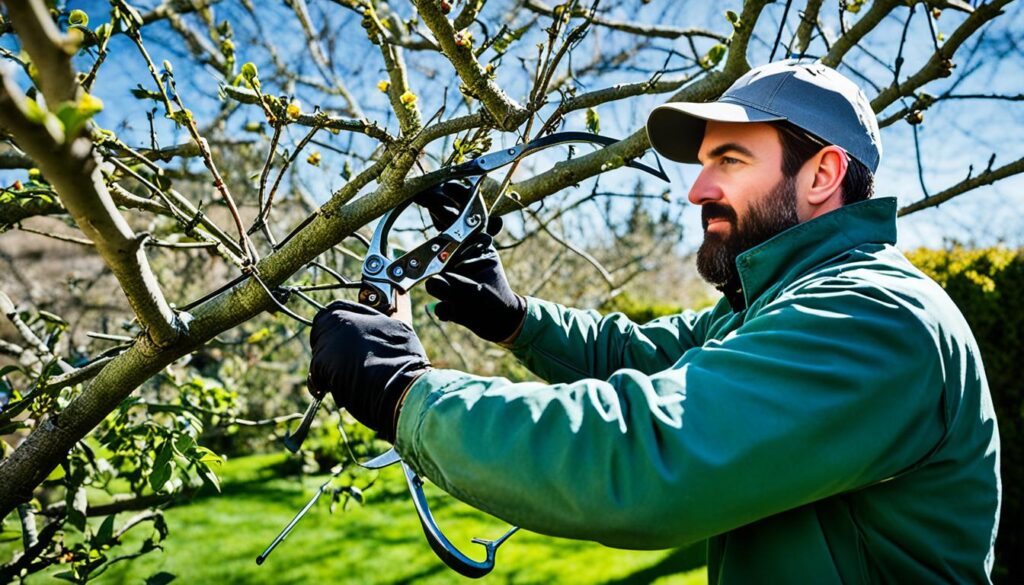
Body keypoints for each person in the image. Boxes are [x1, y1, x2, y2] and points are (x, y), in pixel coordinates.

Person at [307, 60, 1001, 583]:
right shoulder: (777, 305)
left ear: (822, 174)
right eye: (704, 164)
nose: (699, 188)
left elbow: (644, 454)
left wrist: (404, 393)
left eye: (729, 159)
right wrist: (515, 318)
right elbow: (642, 356)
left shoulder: (872, 320)